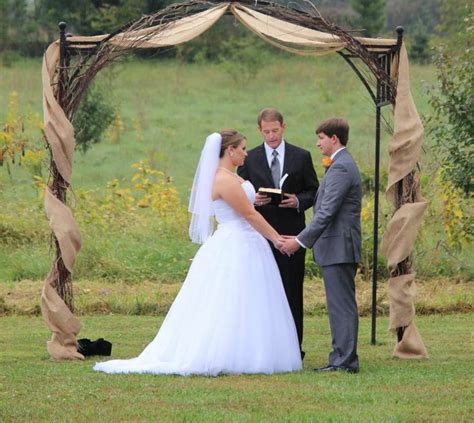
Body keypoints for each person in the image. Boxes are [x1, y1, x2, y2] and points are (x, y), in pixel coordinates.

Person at [94, 129, 301, 376]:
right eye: (242, 148)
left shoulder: (231, 177)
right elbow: (248, 214)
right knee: (228, 299)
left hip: (247, 241)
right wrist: (276, 238)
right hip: (236, 241)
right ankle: (225, 352)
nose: (246, 153)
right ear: (230, 150)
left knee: (249, 298)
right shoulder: (223, 179)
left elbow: (245, 207)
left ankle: (250, 350)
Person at [281, 118, 361, 374]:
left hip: (338, 247)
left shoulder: (341, 168)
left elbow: (326, 212)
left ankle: (344, 361)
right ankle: (340, 357)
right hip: (335, 247)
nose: (317, 144)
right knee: (339, 304)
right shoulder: (339, 165)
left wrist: (300, 241)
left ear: (333, 139)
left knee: (341, 305)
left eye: (321, 138)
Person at [237, 108, 318, 356]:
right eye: (266, 131)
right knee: (260, 292)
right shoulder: (248, 159)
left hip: (292, 234)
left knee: (291, 291)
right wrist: (254, 201)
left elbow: (314, 191)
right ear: (259, 130)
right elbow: (239, 194)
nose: (271, 135)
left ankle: (294, 348)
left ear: (283, 127)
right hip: (259, 236)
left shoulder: (301, 156)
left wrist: (297, 201)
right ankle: (263, 347)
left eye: (275, 130)